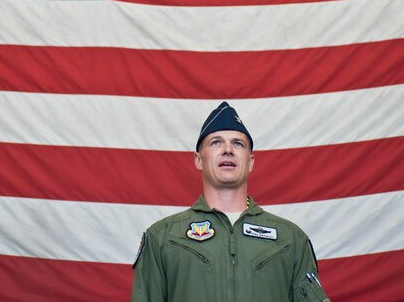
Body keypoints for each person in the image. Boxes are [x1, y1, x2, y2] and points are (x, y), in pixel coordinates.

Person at [131, 101, 329, 302]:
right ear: (198, 160)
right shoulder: (163, 238)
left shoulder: (290, 240)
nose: (228, 149)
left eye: (238, 143)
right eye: (216, 142)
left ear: (250, 161)